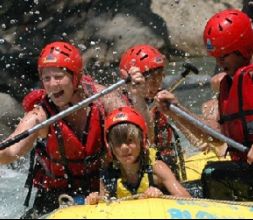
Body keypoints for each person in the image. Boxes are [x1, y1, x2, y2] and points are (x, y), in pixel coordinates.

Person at [0, 41, 127, 218]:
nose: (52, 84)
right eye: (46, 78)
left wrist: (137, 93)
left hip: (103, 187)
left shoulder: (104, 99)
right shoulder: (40, 115)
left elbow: (135, 132)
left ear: (76, 77)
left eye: (59, 77)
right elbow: (11, 151)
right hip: (58, 197)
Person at [155, 9, 253, 201]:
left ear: (243, 49)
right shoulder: (228, 86)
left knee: (213, 174)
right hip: (245, 172)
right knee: (211, 174)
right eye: (215, 56)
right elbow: (215, 136)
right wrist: (179, 111)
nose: (219, 62)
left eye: (224, 56)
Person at [85, 107, 191, 204]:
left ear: (141, 141)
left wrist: (161, 196)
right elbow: (104, 207)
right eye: (118, 143)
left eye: (130, 141)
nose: (124, 148)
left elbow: (187, 198)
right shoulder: (108, 176)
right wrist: (95, 200)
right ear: (110, 146)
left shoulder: (157, 168)